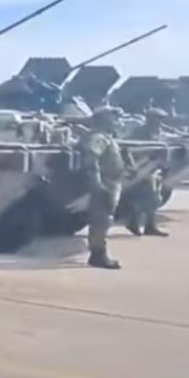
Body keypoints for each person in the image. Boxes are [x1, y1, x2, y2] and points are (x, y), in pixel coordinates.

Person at [79, 106, 126, 269]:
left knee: (104, 219)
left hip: (110, 182)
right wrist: (97, 184)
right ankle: (98, 254)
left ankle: (98, 252)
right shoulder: (98, 138)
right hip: (105, 183)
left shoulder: (105, 137)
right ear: (104, 120)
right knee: (102, 219)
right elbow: (91, 160)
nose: (117, 122)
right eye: (114, 119)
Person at [124, 108, 169, 237]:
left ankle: (147, 225)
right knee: (147, 198)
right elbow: (129, 149)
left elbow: (162, 150)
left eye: (160, 119)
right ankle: (136, 223)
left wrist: (164, 167)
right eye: (156, 119)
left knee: (153, 198)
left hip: (154, 169)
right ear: (149, 119)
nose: (159, 122)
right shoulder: (139, 133)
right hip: (141, 169)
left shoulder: (159, 133)